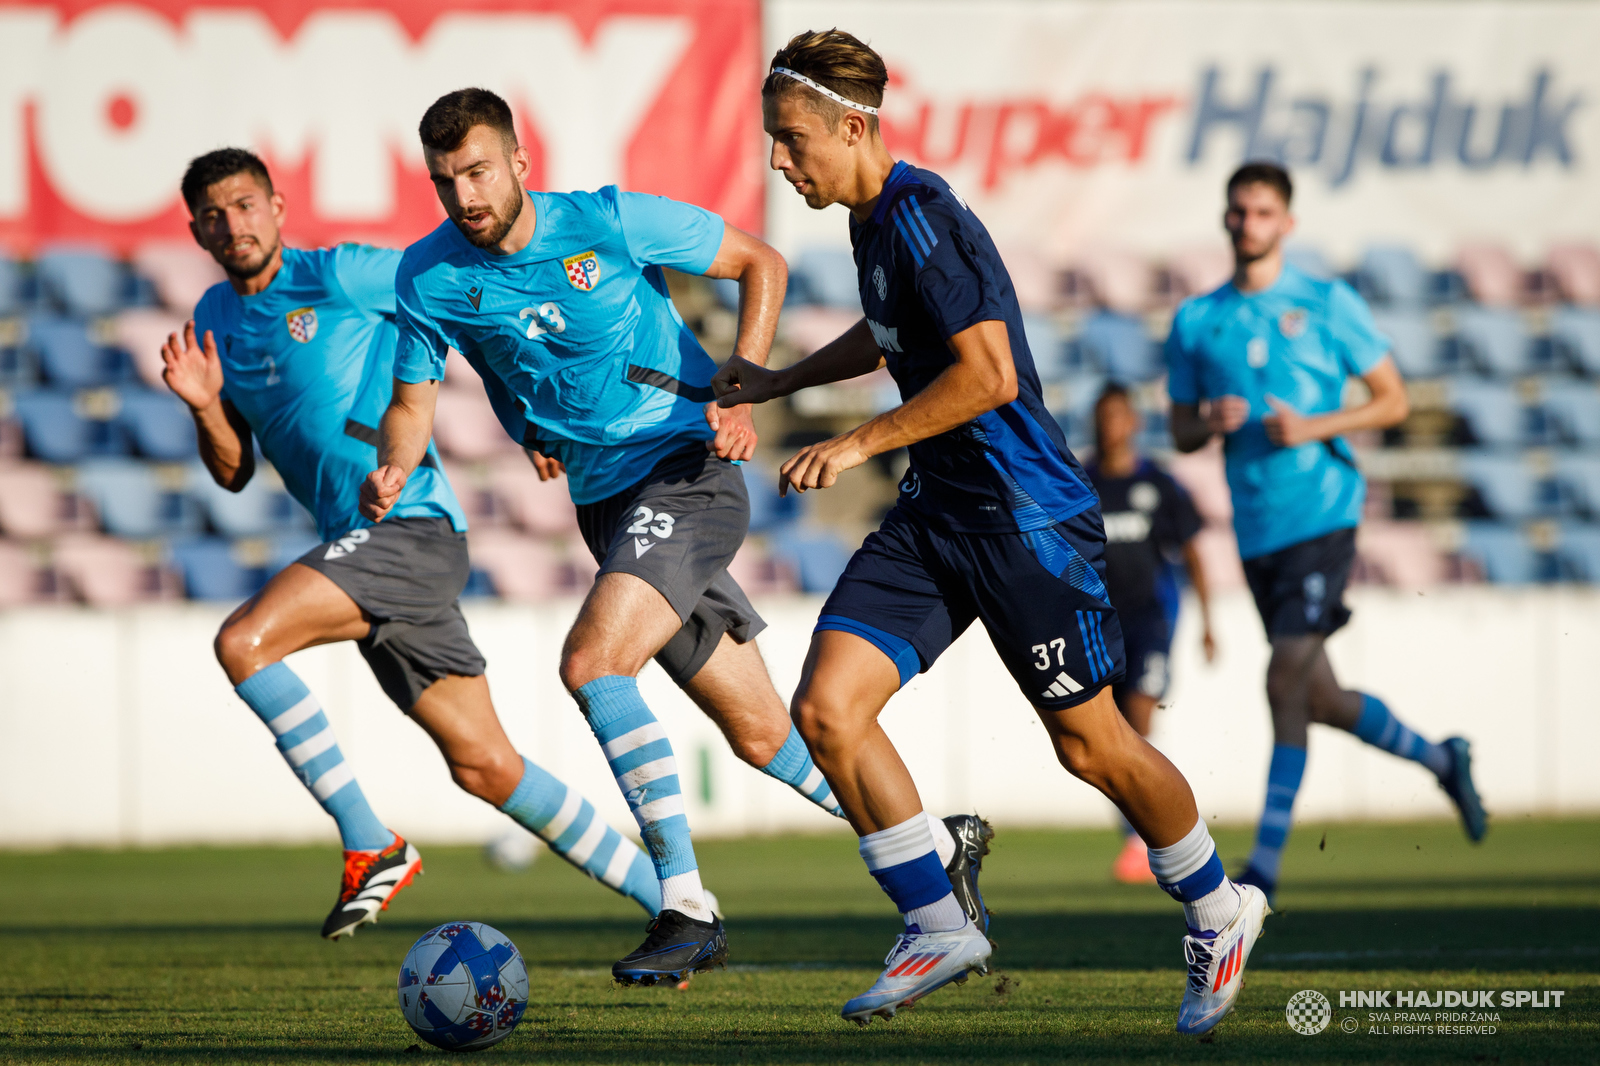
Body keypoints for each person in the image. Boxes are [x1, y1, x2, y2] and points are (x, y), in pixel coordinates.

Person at [357, 88, 993, 987]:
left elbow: (759, 261)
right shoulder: (425, 276)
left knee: (592, 665)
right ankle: (937, 845)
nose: (464, 195)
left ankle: (687, 906)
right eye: (443, 181)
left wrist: (744, 386)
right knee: (764, 733)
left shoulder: (610, 220)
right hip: (605, 504)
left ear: (518, 162)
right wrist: (396, 465)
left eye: (477, 171)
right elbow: (416, 403)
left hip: (684, 474)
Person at [711, 30, 1267, 1035]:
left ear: (852, 124)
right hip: (939, 515)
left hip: (1024, 520)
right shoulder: (872, 225)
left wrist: (855, 444)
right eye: (770, 142)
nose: (778, 161)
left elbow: (989, 375)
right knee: (829, 708)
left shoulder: (923, 216)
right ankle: (936, 918)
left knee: (1091, 746)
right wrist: (784, 379)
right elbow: (891, 333)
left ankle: (1220, 911)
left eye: (791, 140)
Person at [164, 148, 669, 941]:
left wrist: (530, 408)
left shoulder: (342, 275)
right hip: (363, 549)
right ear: (196, 229)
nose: (235, 225)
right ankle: (674, 902)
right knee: (486, 767)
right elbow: (232, 474)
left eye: (247, 204)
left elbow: (458, 295)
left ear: (279, 206)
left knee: (243, 642)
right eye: (216, 215)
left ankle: (371, 842)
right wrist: (203, 407)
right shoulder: (215, 321)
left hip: (411, 529)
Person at [1165, 161, 1487, 905]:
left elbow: (1393, 400)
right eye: (1239, 212)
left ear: (1287, 224)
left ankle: (1265, 869)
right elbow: (1181, 429)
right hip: (1256, 529)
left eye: (1263, 212)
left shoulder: (1326, 302)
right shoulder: (1197, 320)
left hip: (1325, 514)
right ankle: (1442, 758)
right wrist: (1206, 422)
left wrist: (1315, 426)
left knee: (1281, 680)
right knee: (1320, 696)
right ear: (1225, 220)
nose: (1249, 223)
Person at [1084, 384, 1215, 884]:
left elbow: (1192, 551)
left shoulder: (1158, 484)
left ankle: (1151, 835)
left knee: (1138, 716)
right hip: (1097, 623)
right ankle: (1137, 831)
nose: (1111, 425)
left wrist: (1207, 623)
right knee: (1106, 733)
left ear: (1134, 422)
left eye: (1119, 415)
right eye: (1103, 416)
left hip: (1151, 620)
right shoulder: (1082, 482)